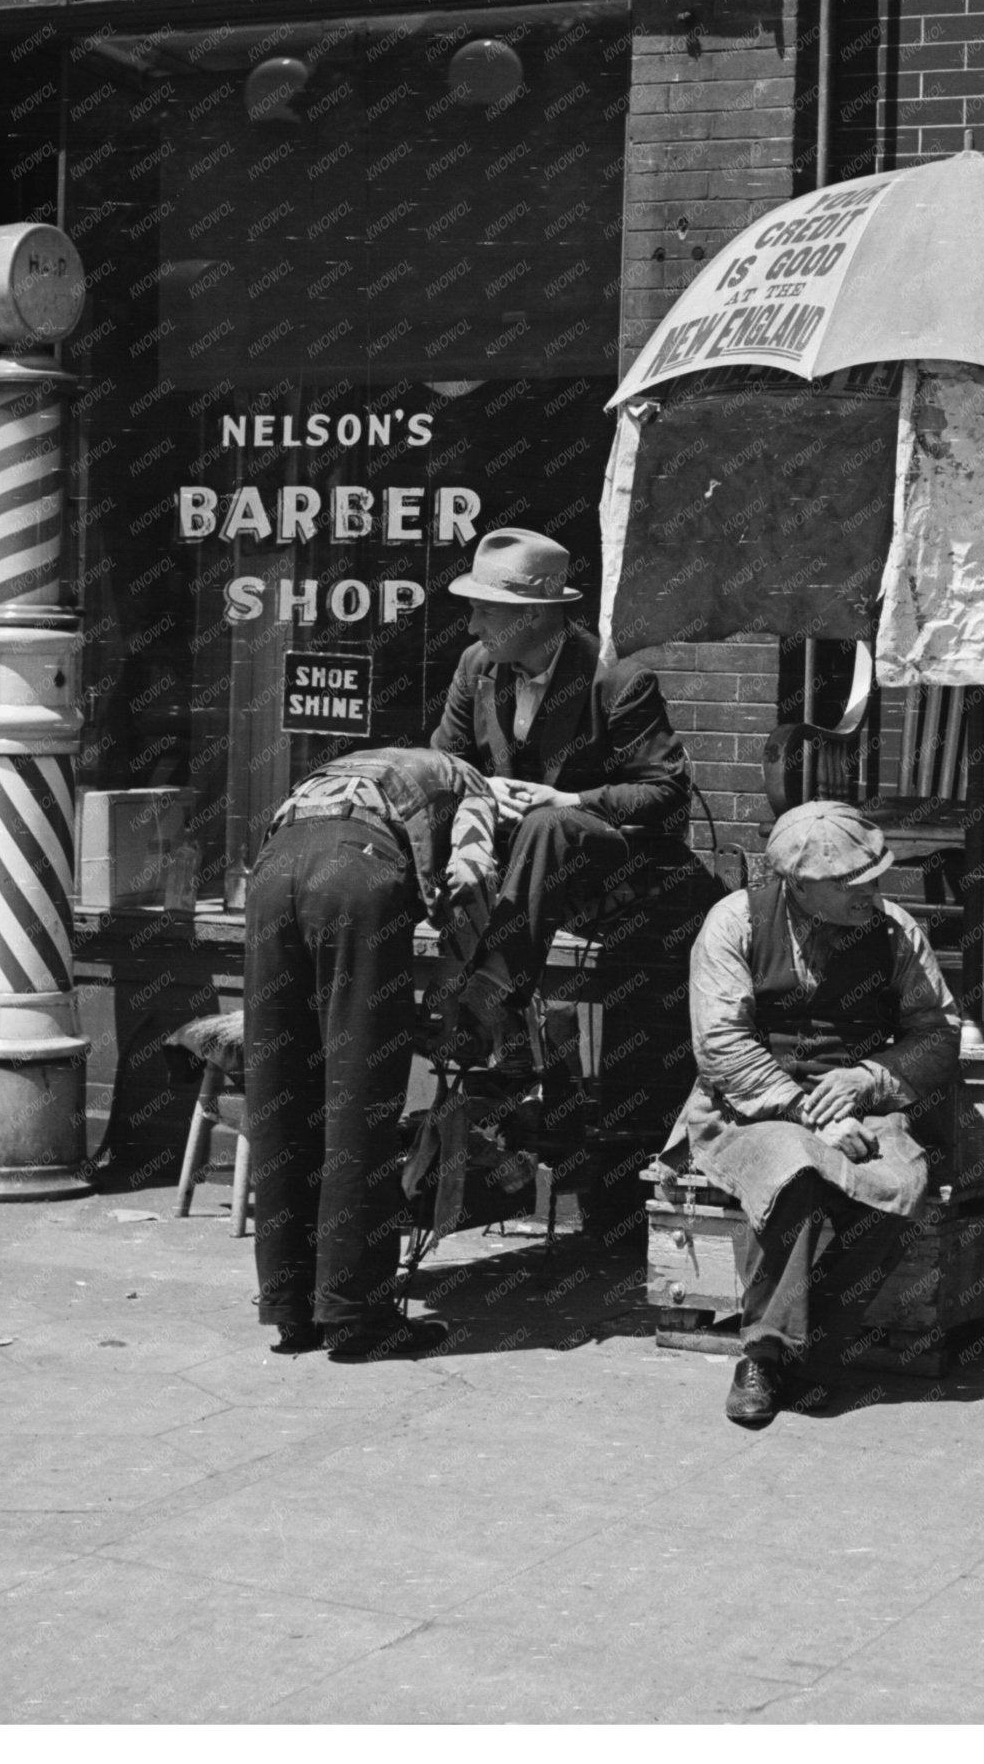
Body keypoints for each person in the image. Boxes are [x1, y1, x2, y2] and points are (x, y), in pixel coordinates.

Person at [666, 800, 963, 1426]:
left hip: (861, 1105)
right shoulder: (734, 923)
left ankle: (805, 1352)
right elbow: (722, 1045)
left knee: (900, 1186)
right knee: (797, 1172)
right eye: (850, 884)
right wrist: (808, 1112)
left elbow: (937, 1034)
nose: (870, 893)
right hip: (749, 1108)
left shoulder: (895, 931)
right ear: (797, 884)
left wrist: (870, 1077)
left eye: (875, 878)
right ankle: (764, 1355)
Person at [242, 745, 496, 1363]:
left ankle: (292, 1310)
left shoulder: (358, 766)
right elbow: (473, 869)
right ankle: (358, 1318)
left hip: (271, 875)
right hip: (355, 877)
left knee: (281, 1097)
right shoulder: (474, 786)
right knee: (358, 1102)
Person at [430, 526, 691, 1069]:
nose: (474, 626)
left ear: (537, 615)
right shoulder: (475, 666)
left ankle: (492, 997)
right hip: (513, 871)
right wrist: (482, 788)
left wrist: (566, 798)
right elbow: (443, 766)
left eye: (488, 612)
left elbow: (665, 792)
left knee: (548, 826)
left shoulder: (618, 678)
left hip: (609, 869)